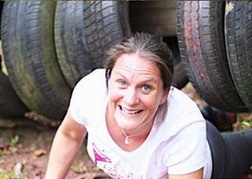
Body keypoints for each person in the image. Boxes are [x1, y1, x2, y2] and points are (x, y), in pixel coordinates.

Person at [45, 32, 252, 179]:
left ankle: (218, 120)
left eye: (145, 87)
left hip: (208, 150)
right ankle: (215, 114)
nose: (130, 99)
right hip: (163, 122)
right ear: (108, 81)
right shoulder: (90, 91)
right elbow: (70, 135)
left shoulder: (184, 127)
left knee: (246, 146)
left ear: (164, 94)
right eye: (122, 83)